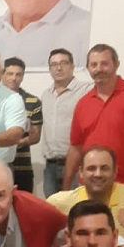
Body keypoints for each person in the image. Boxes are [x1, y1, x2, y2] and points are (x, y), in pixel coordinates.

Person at [63, 44, 124, 188]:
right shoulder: (82, 103)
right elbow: (75, 148)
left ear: (116, 64)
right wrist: (66, 186)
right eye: (94, 65)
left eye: (104, 64)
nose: (98, 69)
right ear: (88, 68)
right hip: (90, 186)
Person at [48, 146, 124, 247]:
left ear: (115, 172)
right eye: (91, 168)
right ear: (81, 172)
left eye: (104, 168)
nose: (98, 174)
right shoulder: (58, 203)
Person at [41, 48, 92, 196]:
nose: (58, 68)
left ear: (72, 66)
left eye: (63, 63)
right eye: (54, 64)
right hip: (50, 165)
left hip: (77, 164)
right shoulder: (46, 94)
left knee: (76, 205)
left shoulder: (86, 91)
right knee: (51, 207)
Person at [3, 56, 43, 192]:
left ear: (22, 76)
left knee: (23, 204)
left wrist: (16, 142)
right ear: (2, 74)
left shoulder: (33, 102)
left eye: (18, 74)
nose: (14, 78)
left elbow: (35, 136)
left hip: (22, 167)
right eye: (10, 74)